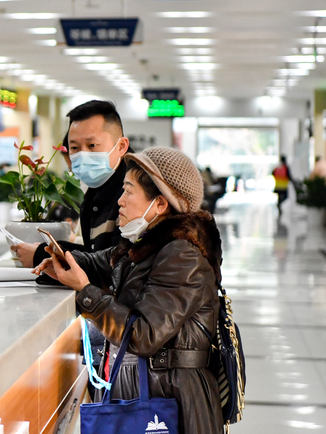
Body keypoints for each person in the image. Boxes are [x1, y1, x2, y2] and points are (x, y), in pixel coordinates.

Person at [34, 147, 223, 434]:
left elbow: (144, 335)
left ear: (160, 204)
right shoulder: (145, 244)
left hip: (172, 402)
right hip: (149, 389)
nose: (119, 202)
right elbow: (99, 263)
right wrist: (58, 259)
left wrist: (85, 292)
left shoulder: (182, 255)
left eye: (128, 191)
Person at [10, 100, 130, 271]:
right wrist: (51, 250)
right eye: (74, 147)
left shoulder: (134, 192)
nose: (82, 155)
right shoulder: (96, 189)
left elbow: (117, 263)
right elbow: (94, 252)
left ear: (121, 146)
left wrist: (40, 255)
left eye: (92, 145)